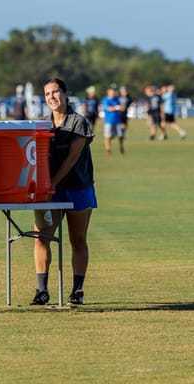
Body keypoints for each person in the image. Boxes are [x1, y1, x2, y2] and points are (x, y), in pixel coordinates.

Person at [31, 77, 96, 307]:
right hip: (49, 191)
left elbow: (71, 159)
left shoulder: (78, 122)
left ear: (66, 94)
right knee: (41, 237)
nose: (52, 97)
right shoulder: (41, 124)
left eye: (56, 92)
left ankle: (77, 291)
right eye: (47, 94)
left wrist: (52, 184)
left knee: (77, 239)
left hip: (77, 188)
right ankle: (42, 291)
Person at [101, 84, 124, 155]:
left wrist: (121, 108)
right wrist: (118, 107)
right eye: (112, 90)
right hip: (109, 121)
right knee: (107, 136)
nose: (114, 92)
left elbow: (121, 107)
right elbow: (108, 108)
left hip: (118, 120)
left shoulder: (117, 99)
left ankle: (121, 147)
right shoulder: (105, 100)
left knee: (120, 135)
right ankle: (108, 149)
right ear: (108, 91)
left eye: (114, 90)